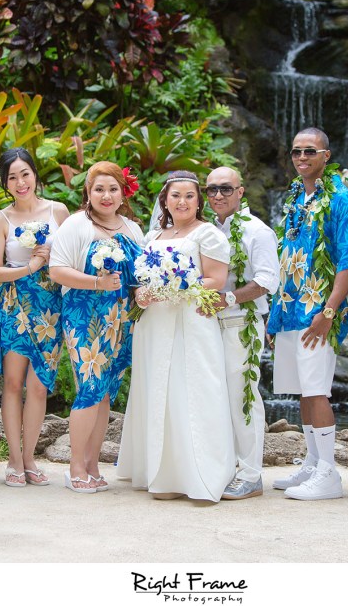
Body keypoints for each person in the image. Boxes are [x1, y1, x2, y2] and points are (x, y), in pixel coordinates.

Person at [116, 170, 235, 502]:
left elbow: (217, 279)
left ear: (198, 201)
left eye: (190, 196)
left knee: (193, 389)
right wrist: (142, 293)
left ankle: (199, 476)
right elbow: (141, 277)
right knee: (158, 390)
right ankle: (163, 474)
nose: (182, 202)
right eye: (175, 196)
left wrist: (176, 286)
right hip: (154, 323)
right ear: (164, 201)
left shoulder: (208, 234)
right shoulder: (153, 237)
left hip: (190, 321)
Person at [267, 127, 348, 500]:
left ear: (327, 155)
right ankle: (312, 462)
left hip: (318, 314)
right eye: (296, 152)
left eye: (310, 151)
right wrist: (276, 314)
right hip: (290, 310)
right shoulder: (296, 196)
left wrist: (329, 310)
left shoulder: (342, 199)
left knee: (318, 390)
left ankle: (329, 473)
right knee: (304, 392)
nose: (302, 158)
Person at [51, 161, 144, 493]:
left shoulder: (133, 230)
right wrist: (96, 283)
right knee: (89, 389)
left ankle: (92, 464)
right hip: (84, 317)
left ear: (123, 194)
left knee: (105, 395)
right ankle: (75, 466)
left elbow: (140, 276)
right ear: (88, 193)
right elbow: (57, 270)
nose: (106, 195)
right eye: (99, 189)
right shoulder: (77, 225)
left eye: (113, 189)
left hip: (120, 321)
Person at [0, 147, 69, 487]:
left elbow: (71, 258)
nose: (21, 182)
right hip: (15, 305)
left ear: (35, 174)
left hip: (50, 307)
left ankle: (31, 457)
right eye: (12, 177)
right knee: (13, 384)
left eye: (25, 174)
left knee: (38, 387)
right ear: (5, 183)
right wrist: (31, 265)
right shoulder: (1, 219)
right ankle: (14, 460)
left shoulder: (59, 212)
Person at [203, 167, 279, 500]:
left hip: (242, 325)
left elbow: (266, 281)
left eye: (225, 189)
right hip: (209, 327)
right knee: (218, 399)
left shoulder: (257, 231)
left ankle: (251, 474)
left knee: (243, 398)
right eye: (211, 190)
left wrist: (229, 298)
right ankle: (226, 468)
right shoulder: (209, 230)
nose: (217, 195)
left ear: (241, 191)